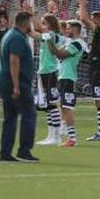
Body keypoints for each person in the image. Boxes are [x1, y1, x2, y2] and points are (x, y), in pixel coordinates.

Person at [0, 11, 38, 163]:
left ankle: (5, 153)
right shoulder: (17, 38)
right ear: (25, 23)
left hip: (6, 81)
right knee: (29, 114)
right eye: (30, 23)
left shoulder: (10, 34)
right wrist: (16, 86)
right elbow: (14, 61)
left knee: (10, 118)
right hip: (16, 82)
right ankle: (24, 150)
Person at [77, 0, 100, 142]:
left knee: (99, 100)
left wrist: (82, 3)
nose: (91, 19)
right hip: (96, 67)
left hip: (98, 68)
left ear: (98, 19)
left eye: (93, 17)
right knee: (98, 100)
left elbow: (83, 19)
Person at [53, 20, 88, 148]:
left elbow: (59, 54)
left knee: (67, 108)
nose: (66, 30)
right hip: (63, 77)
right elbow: (59, 54)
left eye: (68, 28)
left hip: (69, 78)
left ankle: (72, 138)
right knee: (63, 107)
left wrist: (49, 41)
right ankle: (65, 131)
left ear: (75, 29)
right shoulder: (71, 42)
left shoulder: (78, 43)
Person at [33, 13, 64, 146]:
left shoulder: (52, 35)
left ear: (50, 25)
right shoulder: (48, 35)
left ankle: (56, 136)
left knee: (52, 104)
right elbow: (34, 31)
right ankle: (51, 135)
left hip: (51, 72)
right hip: (44, 72)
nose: (42, 25)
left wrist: (31, 15)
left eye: (44, 22)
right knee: (48, 105)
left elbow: (35, 31)